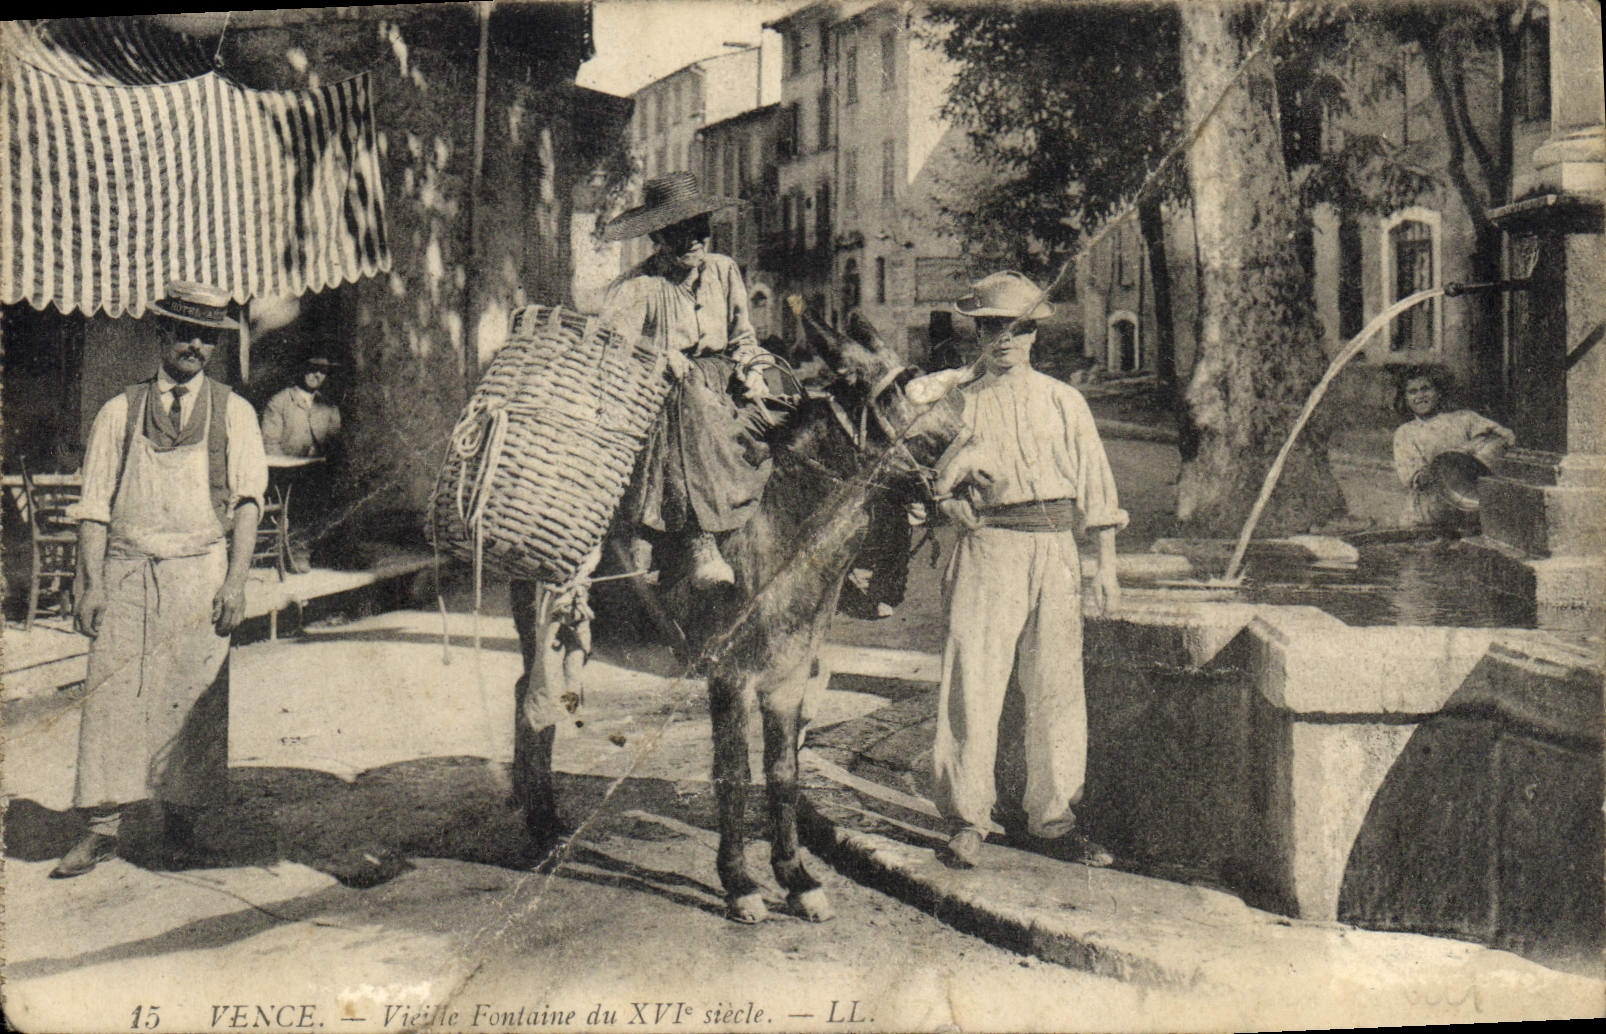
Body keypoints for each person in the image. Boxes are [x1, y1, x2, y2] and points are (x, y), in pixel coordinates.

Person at [52, 281, 268, 878]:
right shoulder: (118, 410)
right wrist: (88, 582)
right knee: (113, 699)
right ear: (162, 334)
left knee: (191, 702)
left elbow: (248, 503)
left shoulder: (236, 413)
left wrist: (236, 583)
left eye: (207, 336)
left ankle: (181, 828)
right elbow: (94, 507)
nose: (195, 345)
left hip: (201, 572)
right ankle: (99, 830)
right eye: (184, 332)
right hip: (127, 571)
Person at [928, 271, 1125, 870]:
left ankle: (1053, 820)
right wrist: (944, 501)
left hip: (1055, 550)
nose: (1004, 340)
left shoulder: (1065, 401)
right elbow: (924, 478)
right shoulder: (955, 402)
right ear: (976, 333)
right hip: (987, 545)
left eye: (1016, 329)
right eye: (991, 328)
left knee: (1057, 687)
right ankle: (968, 818)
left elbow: (1095, 485)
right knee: (974, 684)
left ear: (1034, 334)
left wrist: (1105, 567)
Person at [601, 172, 778, 589]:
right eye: (683, 232)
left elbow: (743, 338)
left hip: (726, 384)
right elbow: (611, 349)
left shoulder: (724, 271)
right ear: (659, 238)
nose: (697, 240)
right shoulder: (638, 288)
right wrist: (660, 356)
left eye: (702, 229)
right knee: (690, 399)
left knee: (795, 420)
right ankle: (701, 538)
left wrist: (753, 367)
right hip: (666, 395)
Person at [1392, 365, 1514, 529]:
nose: (1420, 396)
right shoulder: (1405, 433)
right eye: (1412, 392)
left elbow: (1506, 436)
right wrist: (1451, 463)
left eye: (1426, 389)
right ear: (1405, 398)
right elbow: (1414, 477)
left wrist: (1473, 449)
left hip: (1469, 507)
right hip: (1427, 515)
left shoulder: (1465, 419)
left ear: (1439, 392)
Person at [260, 354, 342, 458]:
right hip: (288, 469)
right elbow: (270, 444)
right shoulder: (279, 401)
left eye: (322, 371)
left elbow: (334, 444)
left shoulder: (329, 405)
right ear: (301, 369)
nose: (317, 374)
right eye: (312, 369)